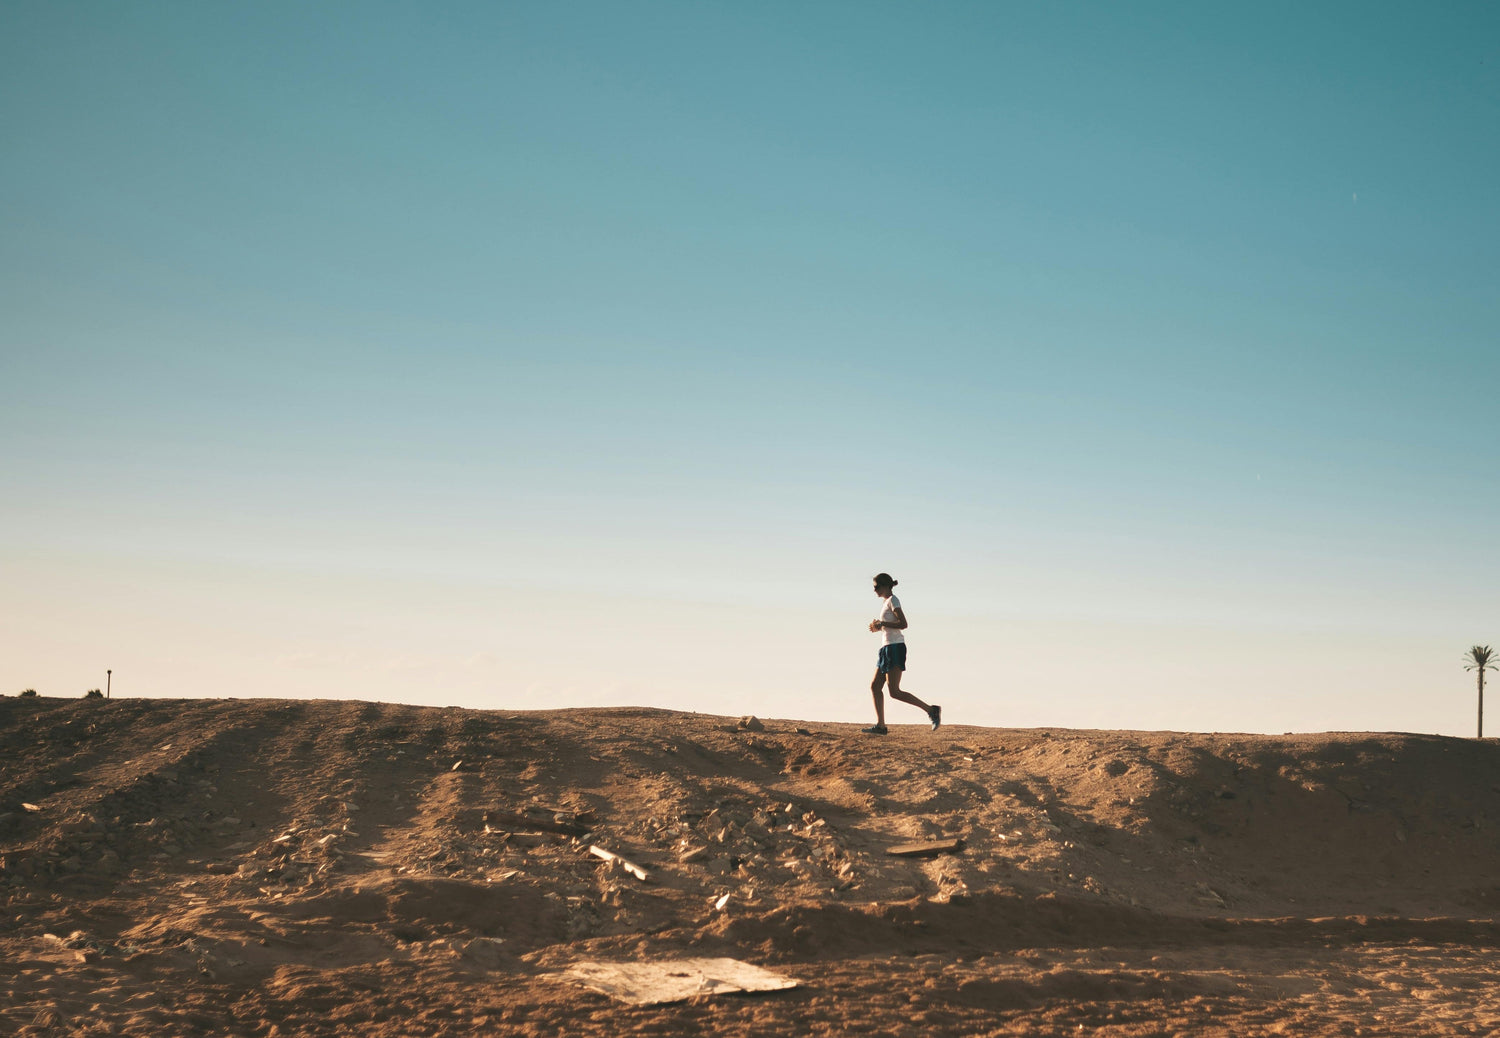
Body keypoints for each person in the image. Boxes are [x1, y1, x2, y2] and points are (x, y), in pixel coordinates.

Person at [863, 573, 940, 734]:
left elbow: (903, 624)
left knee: (894, 691)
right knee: (875, 686)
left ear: (885, 586)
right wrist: (879, 627)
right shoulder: (886, 602)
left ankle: (931, 710)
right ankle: (881, 726)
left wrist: (882, 623)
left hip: (895, 648)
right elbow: (892, 626)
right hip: (886, 648)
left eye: (876, 586)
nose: (874, 590)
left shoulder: (893, 600)